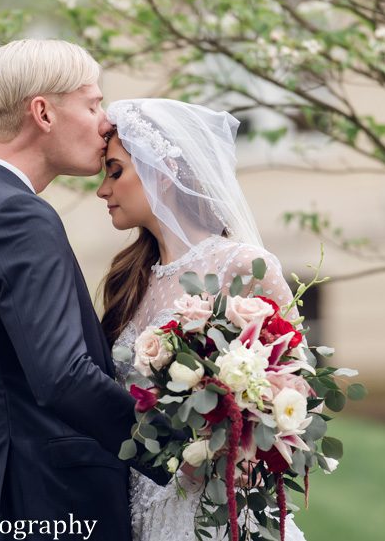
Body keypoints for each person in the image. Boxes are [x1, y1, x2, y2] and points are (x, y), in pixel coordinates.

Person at [0, 39, 170, 541]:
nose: (105, 122)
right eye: (93, 103)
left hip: (7, 494)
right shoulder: (17, 216)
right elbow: (65, 377)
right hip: (60, 504)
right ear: (43, 113)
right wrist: (178, 450)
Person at [96, 98, 307, 541]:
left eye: (115, 171)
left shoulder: (244, 266)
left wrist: (252, 444)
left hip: (221, 505)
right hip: (138, 505)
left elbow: (298, 385)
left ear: (162, 171)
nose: (103, 190)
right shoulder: (125, 280)